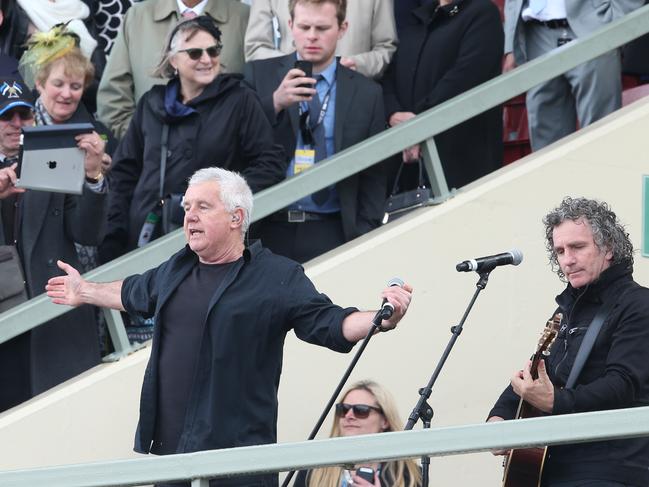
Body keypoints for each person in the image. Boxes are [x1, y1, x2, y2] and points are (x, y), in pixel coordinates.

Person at [46, 166, 413, 487]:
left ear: (237, 217)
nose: (189, 216)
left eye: (203, 207)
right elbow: (132, 292)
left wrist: (382, 318)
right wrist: (85, 290)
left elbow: (330, 322)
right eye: (187, 207)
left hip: (239, 464)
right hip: (173, 457)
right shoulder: (177, 267)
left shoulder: (276, 276)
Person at [488, 197, 649, 486]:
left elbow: (623, 384)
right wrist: (499, 416)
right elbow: (538, 370)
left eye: (577, 247)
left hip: (611, 470)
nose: (567, 260)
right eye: (560, 251)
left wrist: (555, 401)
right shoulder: (565, 312)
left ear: (609, 247)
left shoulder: (638, 304)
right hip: (554, 468)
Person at [100, 15, 285, 262]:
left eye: (213, 50)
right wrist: (114, 234)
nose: (207, 59)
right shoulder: (151, 103)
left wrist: (218, 197)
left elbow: (270, 163)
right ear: (173, 59)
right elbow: (124, 174)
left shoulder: (240, 100)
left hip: (208, 242)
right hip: (146, 236)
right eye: (195, 53)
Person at [245, 0, 387, 263]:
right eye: (304, 26)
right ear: (290, 26)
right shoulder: (259, 76)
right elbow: (236, 144)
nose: (311, 36)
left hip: (333, 228)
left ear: (342, 28)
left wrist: (364, 231)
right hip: (267, 226)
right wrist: (274, 103)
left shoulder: (368, 93)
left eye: (322, 28)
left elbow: (375, 175)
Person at [0, 75, 108, 412]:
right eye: (6, 116)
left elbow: (88, 233)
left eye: (24, 116)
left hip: (54, 323)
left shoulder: (55, 158)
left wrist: (93, 176)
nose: (17, 124)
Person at [382, 0, 503, 193]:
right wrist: (393, 114)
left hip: (462, 165)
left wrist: (417, 126)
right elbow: (389, 77)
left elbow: (463, 78)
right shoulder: (418, 18)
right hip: (410, 163)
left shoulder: (483, 14)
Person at [97, 0, 250, 139]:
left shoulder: (244, 17)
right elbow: (113, 97)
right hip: (151, 162)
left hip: (224, 161)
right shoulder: (138, 17)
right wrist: (145, 140)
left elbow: (257, 93)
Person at [503, 0, 643, 151]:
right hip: (535, 33)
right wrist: (511, 43)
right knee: (546, 147)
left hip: (593, 27)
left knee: (599, 134)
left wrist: (618, 19)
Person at [294, 380, 422, 487]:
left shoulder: (408, 476)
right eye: (343, 409)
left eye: (361, 410)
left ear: (385, 421)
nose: (349, 416)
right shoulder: (313, 469)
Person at [244, 0, 397, 79]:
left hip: (353, 97)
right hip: (289, 96)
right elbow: (256, 47)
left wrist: (358, 64)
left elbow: (386, 47)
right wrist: (292, 67)